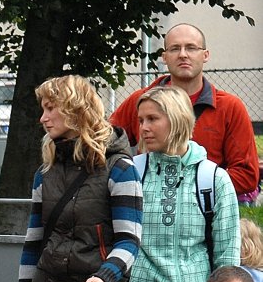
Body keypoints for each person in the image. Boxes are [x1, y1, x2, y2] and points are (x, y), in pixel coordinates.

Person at [18, 74, 143, 282]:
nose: (43, 118)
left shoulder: (120, 168)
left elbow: (129, 241)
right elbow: (33, 245)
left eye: (50, 108)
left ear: (75, 109)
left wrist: (104, 277)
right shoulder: (44, 172)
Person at [124, 86, 240, 282]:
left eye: (153, 119)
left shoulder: (213, 178)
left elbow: (227, 254)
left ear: (177, 119)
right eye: (141, 120)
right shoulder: (131, 171)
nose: (143, 128)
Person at [110, 23, 260, 204]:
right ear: (164, 57)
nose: (183, 54)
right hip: (148, 206)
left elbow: (247, 175)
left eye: (191, 48)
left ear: (205, 55)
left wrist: (191, 187)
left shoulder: (229, 107)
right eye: (175, 49)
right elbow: (103, 146)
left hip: (205, 208)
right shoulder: (140, 101)